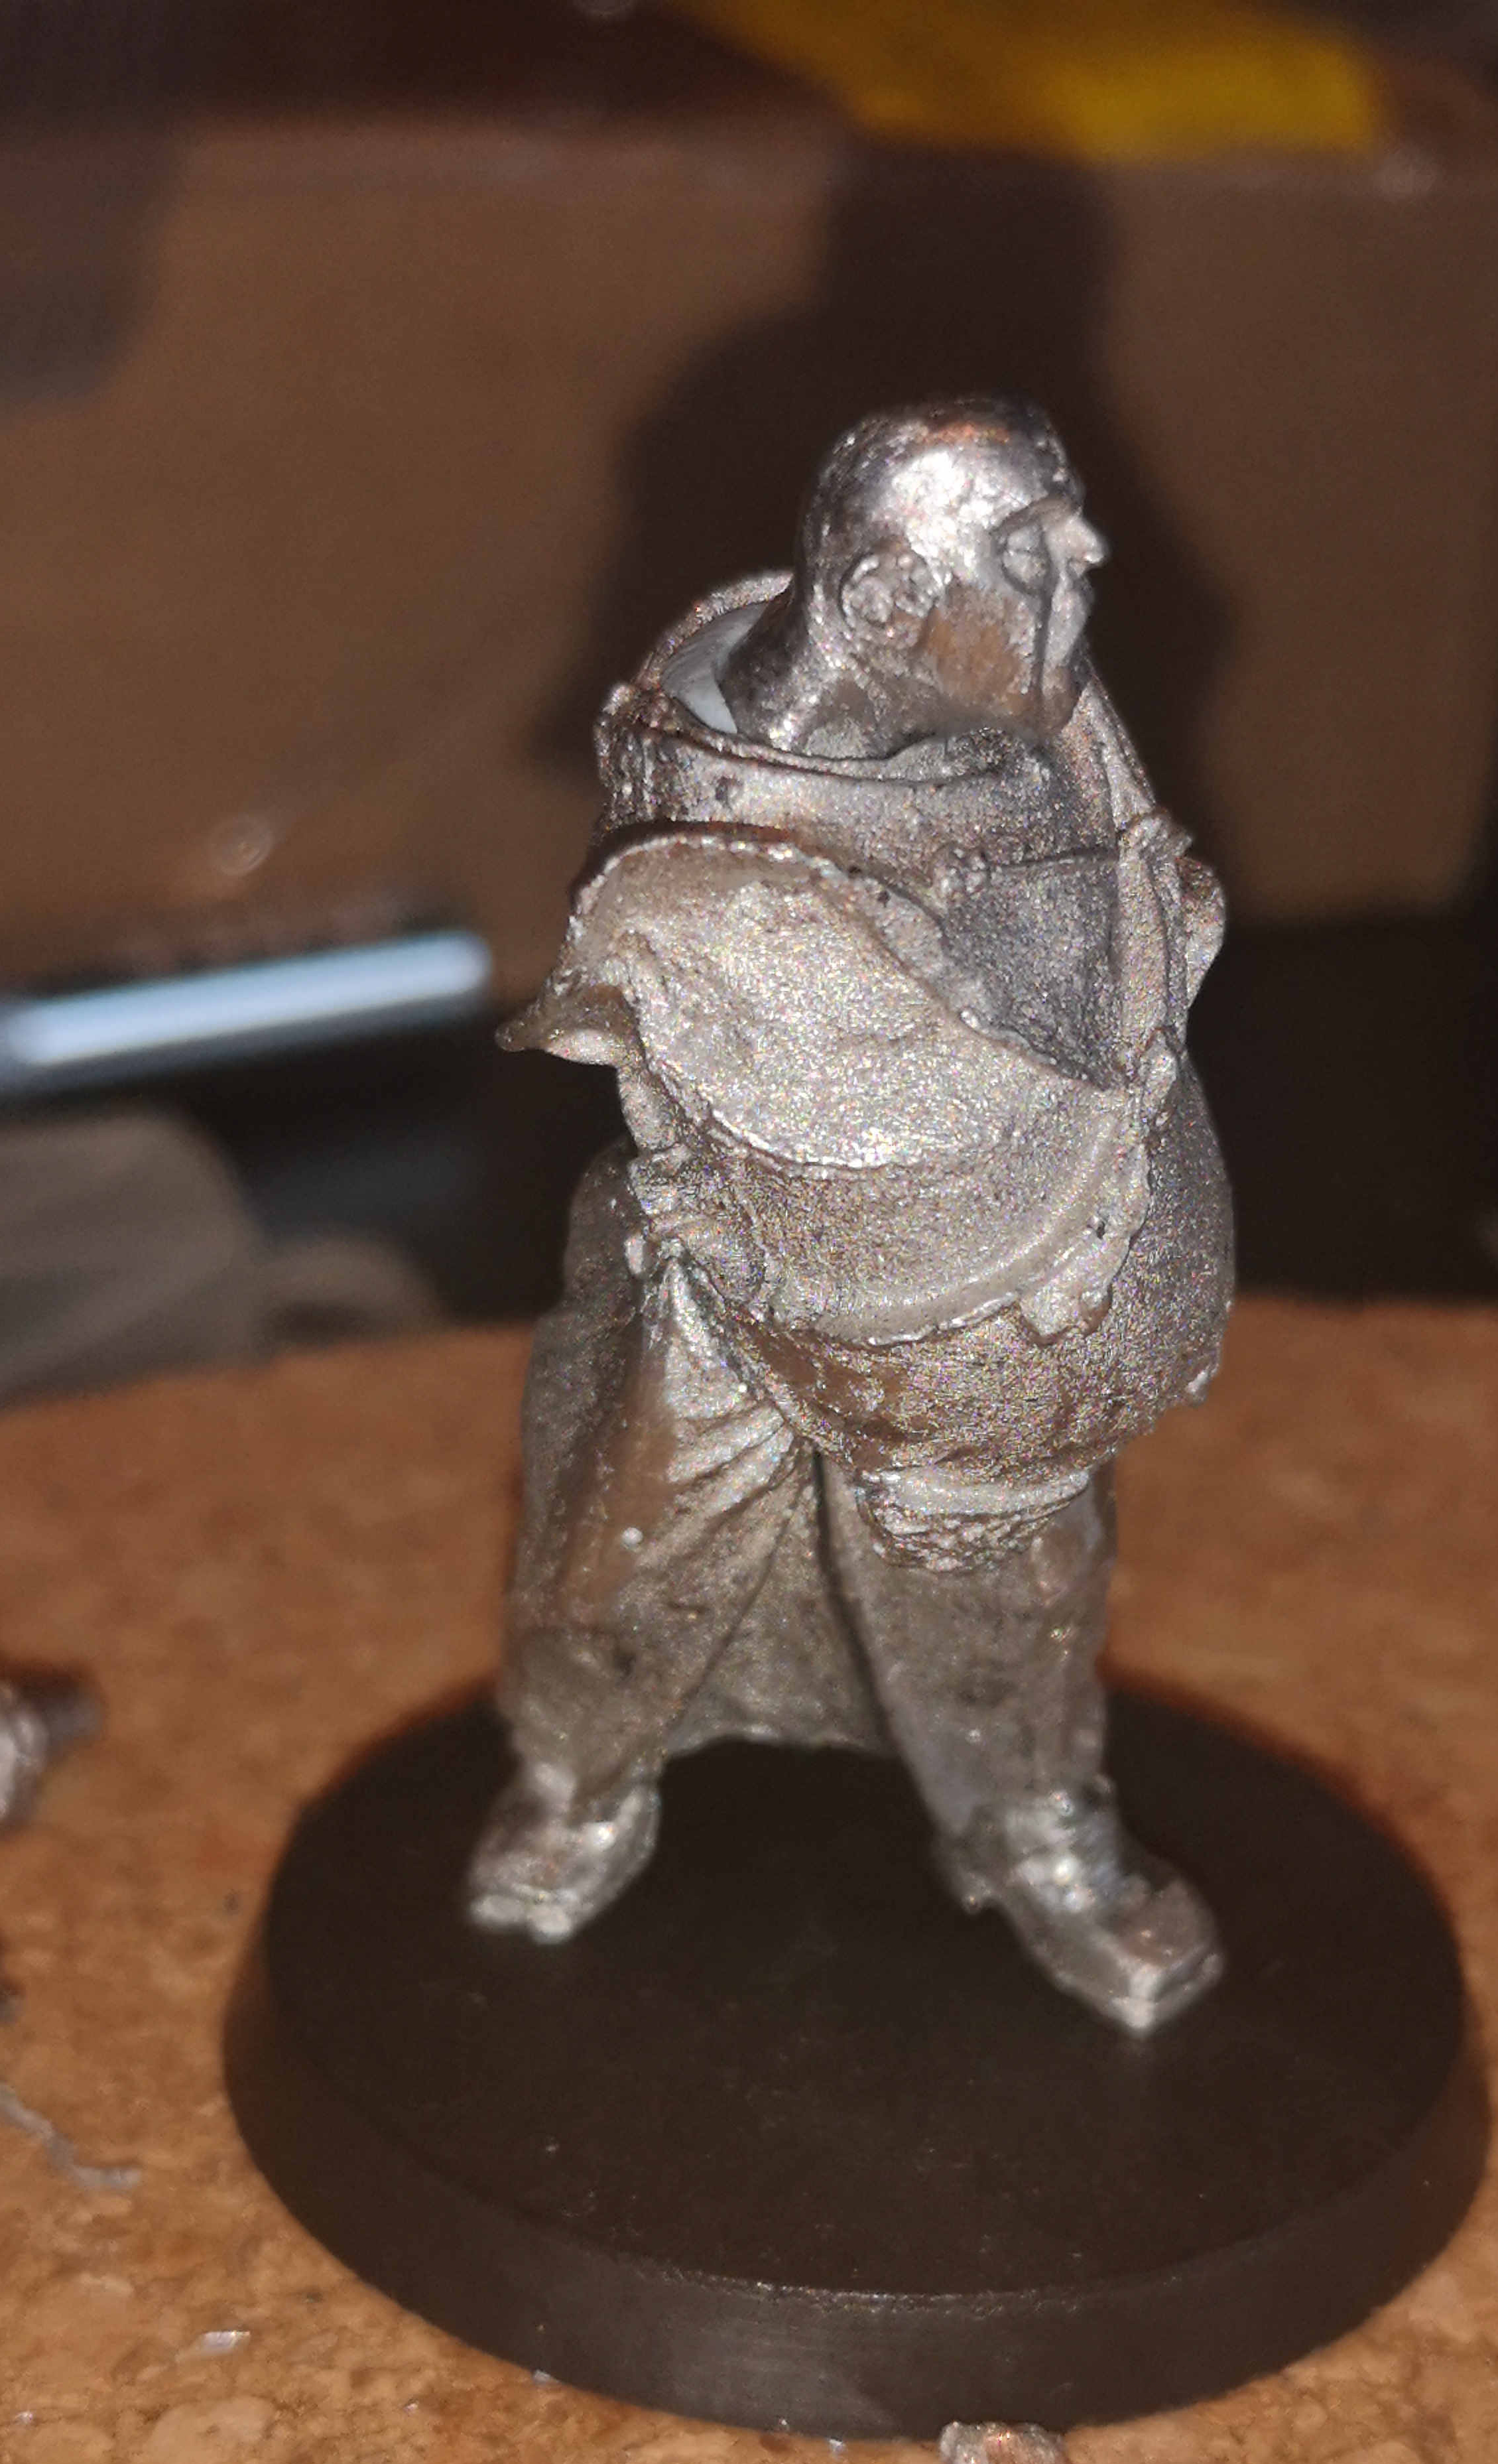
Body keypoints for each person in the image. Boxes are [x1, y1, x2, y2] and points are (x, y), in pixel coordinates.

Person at [473, 401, 1234, 2033]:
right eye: (1025, 548)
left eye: (1066, 526)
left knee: (1015, 1591)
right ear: (886, 603)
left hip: (987, 1319)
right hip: (726, 1271)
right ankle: (580, 1776)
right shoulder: (699, 785)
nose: (1085, 559)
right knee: (627, 1547)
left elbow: (1119, 933)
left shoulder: (1038, 723)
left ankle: (1033, 1823)